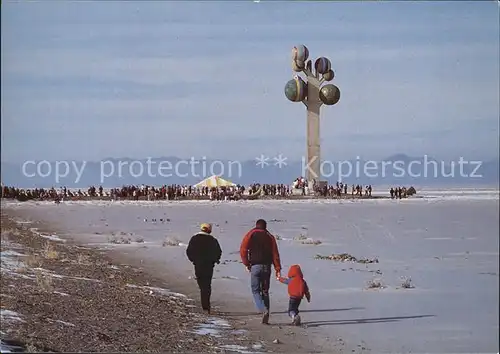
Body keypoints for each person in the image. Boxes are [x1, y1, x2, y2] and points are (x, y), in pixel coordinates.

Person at [240, 219, 282, 324]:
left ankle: (263, 310)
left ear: (256, 225)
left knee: (255, 290)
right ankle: (266, 312)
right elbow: (275, 254)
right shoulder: (270, 236)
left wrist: (246, 263)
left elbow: (243, 249)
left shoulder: (251, 234)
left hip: (255, 266)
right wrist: (278, 269)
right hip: (267, 266)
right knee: (265, 291)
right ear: (265, 226)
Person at [186, 223, 222, 314]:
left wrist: (193, 260)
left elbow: (189, 251)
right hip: (209, 266)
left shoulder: (194, 239)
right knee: (207, 285)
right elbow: (218, 252)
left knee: (202, 284)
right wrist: (215, 260)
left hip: (198, 265)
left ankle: (205, 305)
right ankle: (206, 305)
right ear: (209, 230)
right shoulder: (213, 240)